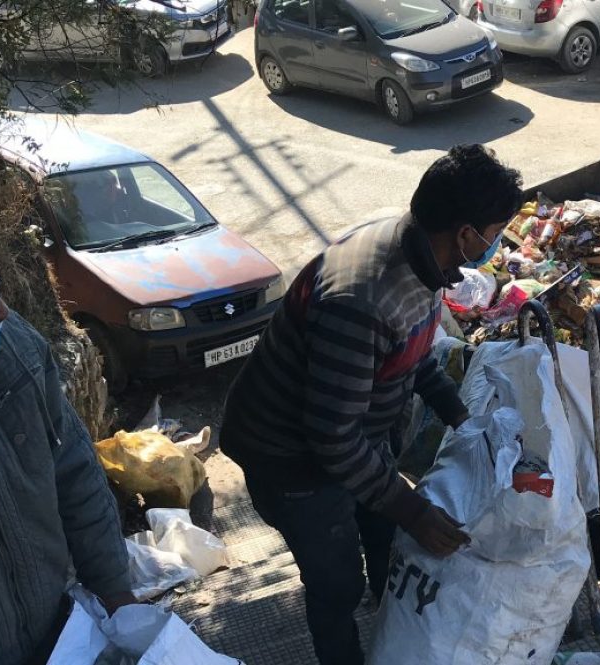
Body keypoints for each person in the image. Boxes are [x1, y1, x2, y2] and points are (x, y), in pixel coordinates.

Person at [220, 144, 524, 665]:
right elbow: (331, 439)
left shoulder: (422, 256)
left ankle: (396, 626)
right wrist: (413, 510)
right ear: (466, 234)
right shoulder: (363, 299)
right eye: (495, 232)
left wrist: (460, 416)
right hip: (291, 457)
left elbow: (412, 351)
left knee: (384, 530)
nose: (497, 244)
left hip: (350, 433)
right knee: (336, 581)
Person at [0, 207, 135, 665]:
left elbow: (75, 471)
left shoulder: (16, 350)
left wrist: (116, 591)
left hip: (60, 636)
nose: (2, 311)